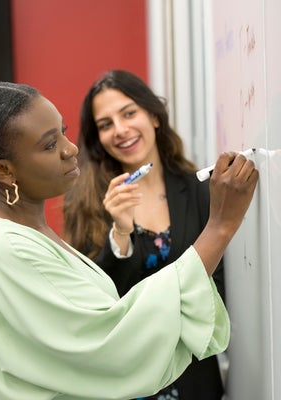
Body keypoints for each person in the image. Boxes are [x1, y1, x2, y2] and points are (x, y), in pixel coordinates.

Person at [0, 81, 257, 400]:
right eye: (50, 145)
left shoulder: (25, 233)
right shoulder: (6, 249)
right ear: (4, 171)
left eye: (63, 132)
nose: (70, 149)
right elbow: (115, 345)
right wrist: (220, 227)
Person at [63, 69, 226, 400]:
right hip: (127, 381)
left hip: (193, 373)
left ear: (153, 115)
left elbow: (217, 287)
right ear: (98, 139)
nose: (120, 130)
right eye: (106, 124)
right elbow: (96, 306)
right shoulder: (88, 205)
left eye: (128, 113)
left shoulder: (199, 190)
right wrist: (120, 233)